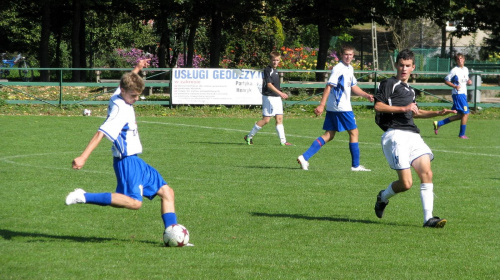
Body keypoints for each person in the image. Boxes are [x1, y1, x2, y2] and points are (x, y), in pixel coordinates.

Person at [66, 59, 184, 241]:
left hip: (136, 160)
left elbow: (129, 79)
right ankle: (83, 196)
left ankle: (172, 234)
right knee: (135, 203)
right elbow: (101, 133)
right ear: (123, 91)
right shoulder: (121, 110)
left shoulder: (118, 94)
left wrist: (137, 68)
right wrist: (83, 157)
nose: (136, 99)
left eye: (138, 95)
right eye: (133, 96)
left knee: (167, 192)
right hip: (126, 161)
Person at [373, 49, 457, 228]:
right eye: (401, 65)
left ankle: (429, 219)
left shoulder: (410, 90)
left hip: (413, 136)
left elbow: (415, 113)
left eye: (407, 66)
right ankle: (382, 197)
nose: (404, 69)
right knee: (406, 183)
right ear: (396, 65)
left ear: (413, 67)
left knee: (427, 172)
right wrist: (403, 109)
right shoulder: (389, 83)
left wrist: (437, 112)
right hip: (395, 135)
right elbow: (378, 106)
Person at [297, 45, 374, 171]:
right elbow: (329, 86)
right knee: (354, 132)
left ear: (353, 56)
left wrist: (366, 95)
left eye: (350, 54)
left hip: (335, 107)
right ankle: (355, 166)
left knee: (329, 135)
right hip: (341, 107)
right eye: (346, 54)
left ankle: (304, 157)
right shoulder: (338, 69)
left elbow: (353, 87)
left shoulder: (349, 69)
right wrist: (321, 105)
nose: (348, 57)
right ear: (341, 55)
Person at [244, 51, 291, 146]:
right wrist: (281, 93)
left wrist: (279, 95)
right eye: (274, 60)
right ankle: (249, 136)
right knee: (266, 120)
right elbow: (269, 85)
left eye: (277, 60)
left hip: (277, 98)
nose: (275, 62)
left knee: (279, 119)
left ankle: (283, 141)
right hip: (269, 98)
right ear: (270, 60)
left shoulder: (276, 71)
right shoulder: (267, 70)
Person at [433, 53, 472, 139]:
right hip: (458, 94)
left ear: (464, 59)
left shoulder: (466, 69)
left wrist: (469, 81)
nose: (460, 60)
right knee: (466, 113)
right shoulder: (454, 70)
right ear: (456, 61)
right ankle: (462, 134)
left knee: (460, 115)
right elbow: (446, 80)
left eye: (461, 58)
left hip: (463, 94)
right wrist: (454, 86)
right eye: (458, 59)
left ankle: (438, 124)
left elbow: (465, 79)